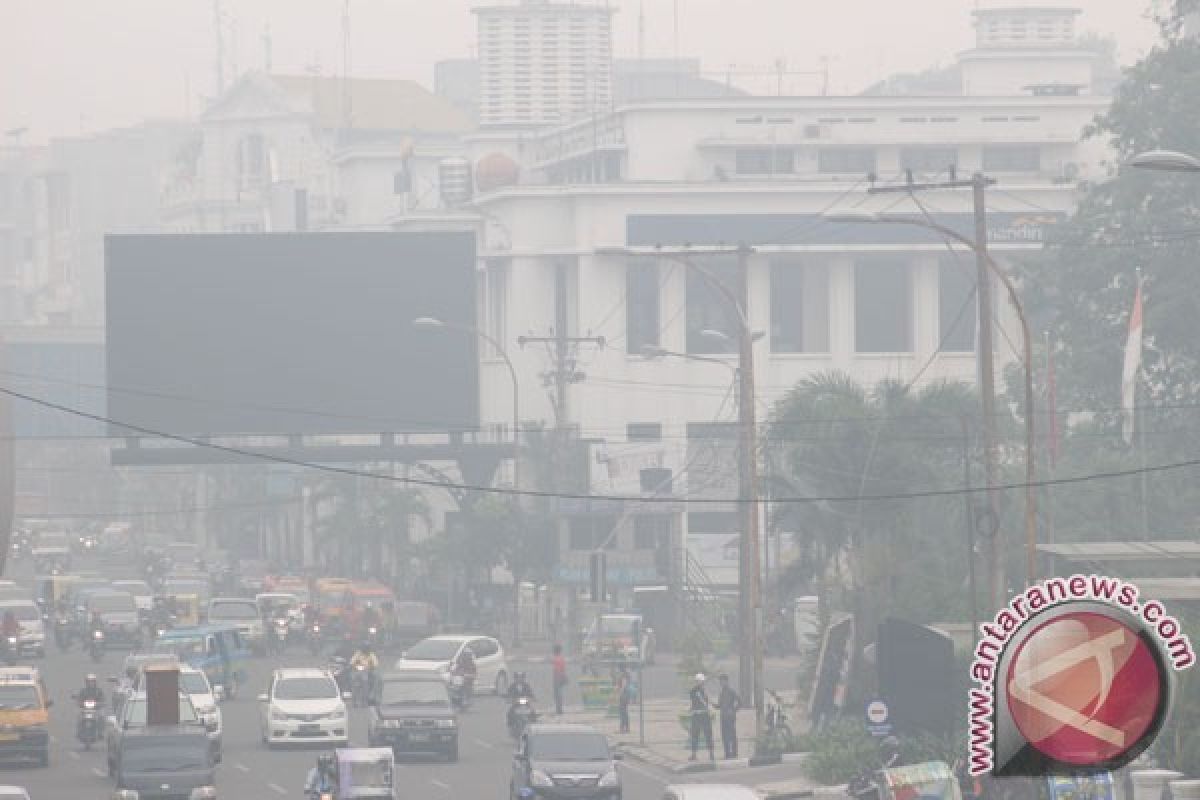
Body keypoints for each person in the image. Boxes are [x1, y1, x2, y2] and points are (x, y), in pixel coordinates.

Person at [688, 673, 715, 762]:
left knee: (703, 735)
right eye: (701, 681)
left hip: (700, 715)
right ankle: (698, 754)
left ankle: (709, 754)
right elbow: (697, 702)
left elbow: (698, 703)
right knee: (699, 735)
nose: (702, 683)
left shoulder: (700, 691)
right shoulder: (697, 691)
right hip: (700, 715)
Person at [716, 673, 741, 759]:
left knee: (732, 735)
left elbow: (740, 701)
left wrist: (734, 710)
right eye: (720, 681)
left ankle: (734, 753)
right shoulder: (721, 693)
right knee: (724, 736)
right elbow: (719, 705)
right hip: (723, 716)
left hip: (730, 717)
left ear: (726, 681)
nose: (721, 683)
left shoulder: (731, 691)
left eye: (722, 681)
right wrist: (714, 705)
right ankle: (727, 753)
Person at [615, 666, 633, 734]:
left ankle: (622, 728)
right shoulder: (626, 675)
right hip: (626, 696)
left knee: (622, 712)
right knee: (624, 712)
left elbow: (623, 685)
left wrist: (619, 694)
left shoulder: (623, 676)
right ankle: (626, 728)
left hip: (623, 697)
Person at [551, 644, 568, 716]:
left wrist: (557, 676)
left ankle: (559, 709)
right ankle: (559, 708)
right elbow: (563, 668)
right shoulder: (561, 658)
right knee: (559, 693)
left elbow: (557, 669)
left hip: (557, 676)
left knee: (557, 693)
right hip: (561, 675)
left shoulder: (556, 659)